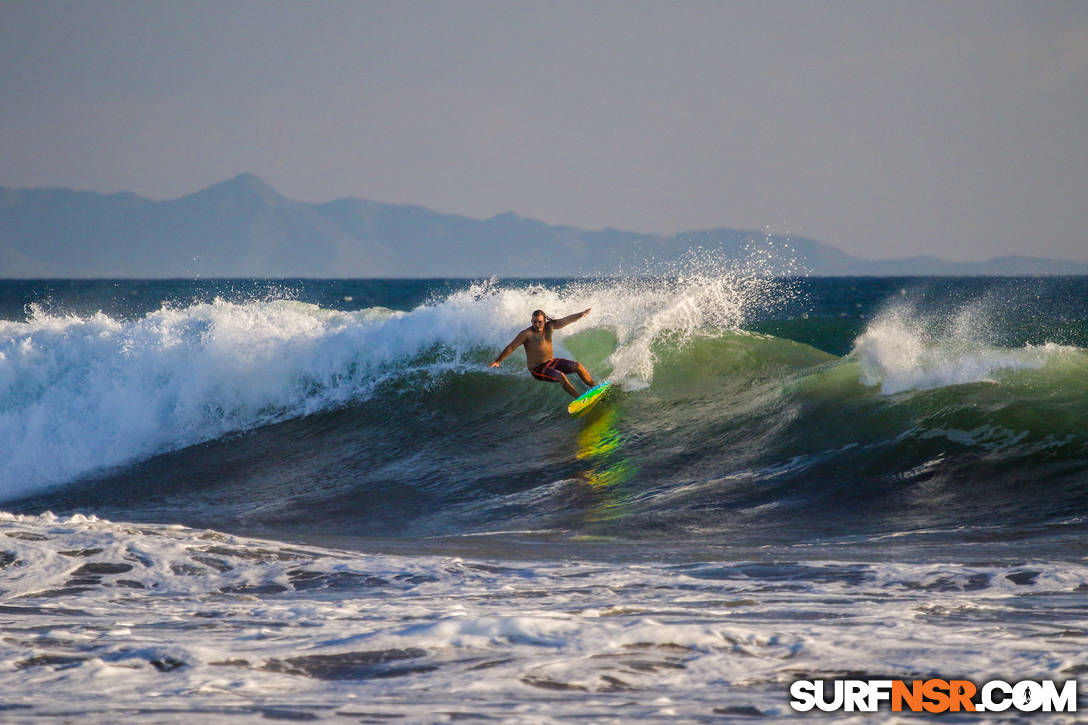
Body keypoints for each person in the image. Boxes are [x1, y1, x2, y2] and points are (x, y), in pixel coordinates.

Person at [489, 308, 596, 397]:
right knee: (561, 377)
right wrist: (498, 361)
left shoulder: (550, 326)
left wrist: (581, 314)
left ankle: (595, 388)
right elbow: (511, 347)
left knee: (578, 366)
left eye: (539, 322)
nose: (537, 324)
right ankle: (581, 399)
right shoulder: (526, 334)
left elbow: (566, 320)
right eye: (534, 322)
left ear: (545, 321)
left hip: (551, 362)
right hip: (537, 368)